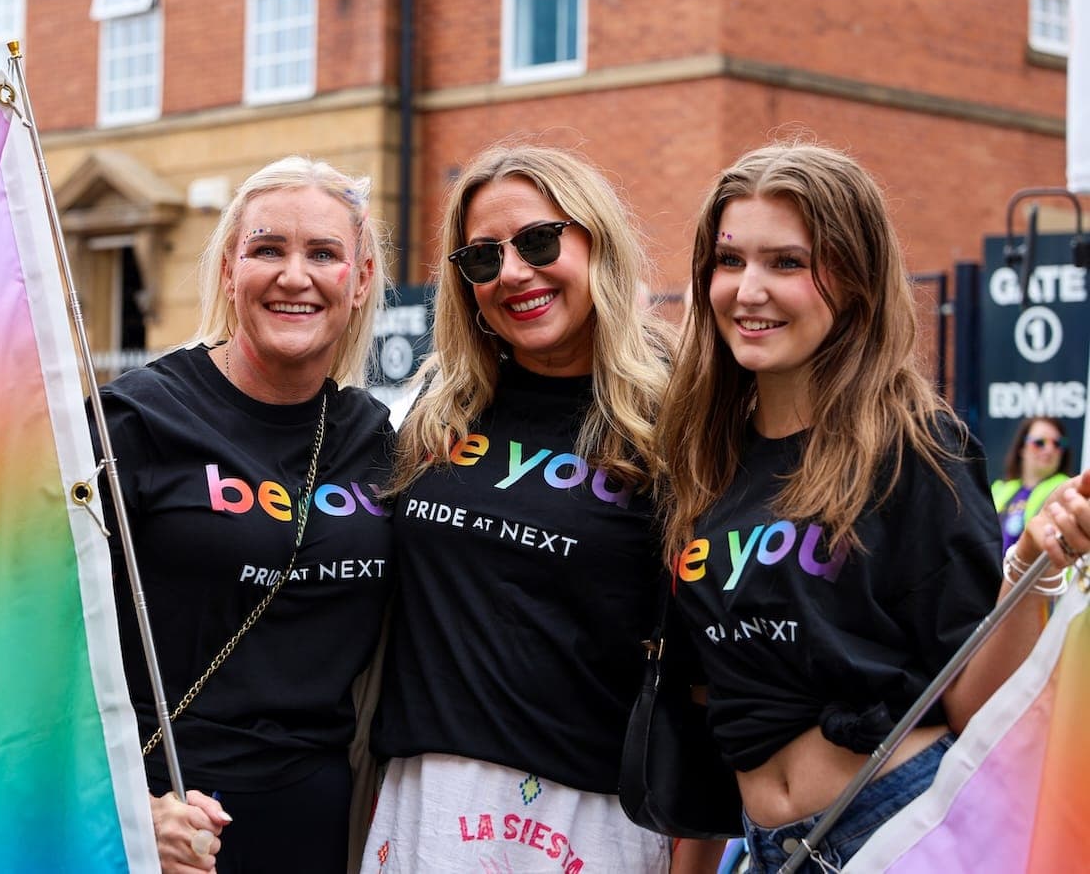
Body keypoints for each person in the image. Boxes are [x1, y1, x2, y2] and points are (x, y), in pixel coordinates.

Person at [657, 142, 1090, 872]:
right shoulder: (698, 456)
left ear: (854, 281)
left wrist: (1029, 565)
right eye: (730, 261)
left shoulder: (915, 447)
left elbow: (976, 703)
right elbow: (710, 711)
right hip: (760, 847)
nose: (748, 290)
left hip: (901, 829)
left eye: (786, 262)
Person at [363, 143, 694, 873]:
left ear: (595, 241)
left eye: (540, 241)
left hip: (591, 815)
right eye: (482, 258)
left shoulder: (678, 416)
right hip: (426, 801)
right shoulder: (438, 409)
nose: (512, 272)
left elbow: (707, 665)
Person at [93, 156, 395, 874]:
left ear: (359, 281)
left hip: (313, 826)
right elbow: (39, 638)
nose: (295, 275)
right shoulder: (134, 419)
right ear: (230, 271)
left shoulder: (375, 437)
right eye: (267, 249)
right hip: (161, 821)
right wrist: (127, 805)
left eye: (323, 253)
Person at [992, 416, 1074, 553]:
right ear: (1022, 448)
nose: (1049, 449)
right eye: (1039, 442)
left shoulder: (1067, 489)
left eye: (1057, 444)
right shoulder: (999, 489)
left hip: (1036, 573)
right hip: (994, 572)